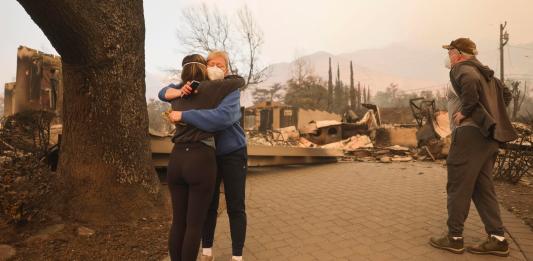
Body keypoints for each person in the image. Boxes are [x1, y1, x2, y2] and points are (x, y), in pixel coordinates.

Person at [429, 38, 517, 257]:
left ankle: (454, 238)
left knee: (458, 185)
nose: (448, 57)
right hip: (488, 138)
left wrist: (467, 111)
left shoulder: (463, 69)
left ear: (459, 54)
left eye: (450, 52)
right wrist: (491, 115)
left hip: (469, 136)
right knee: (482, 187)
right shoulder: (487, 75)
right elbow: (506, 94)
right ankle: (497, 239)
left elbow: (468, 84)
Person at [159, 50, 248, 261]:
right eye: (211, 64)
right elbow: (164, 91)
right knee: (208, 206)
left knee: (235, 205)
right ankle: (207, 251)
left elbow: (223, 117)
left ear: (227, 70)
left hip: (232, 152)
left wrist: (183, 114)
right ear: (204, 67)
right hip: (207, 154)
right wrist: (175, 92)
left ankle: (237, 255)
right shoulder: (197, 88)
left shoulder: (227, 90)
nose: (216, 68)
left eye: (221, 65)